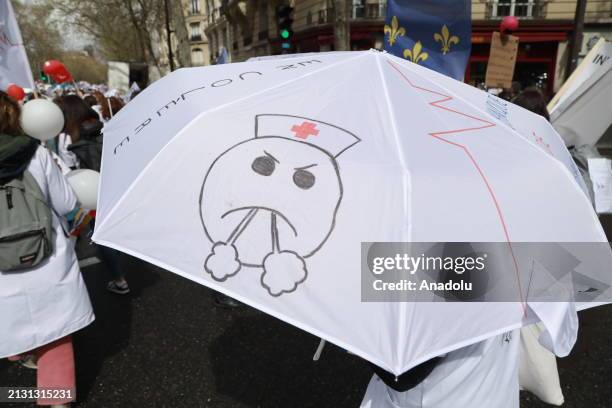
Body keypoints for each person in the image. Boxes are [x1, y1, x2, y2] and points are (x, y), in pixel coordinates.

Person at [0, 90, 95, 407]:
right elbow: (66, 203)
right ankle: (54, 400)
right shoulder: (35, 153)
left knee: (12, 323)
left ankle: (18, 358)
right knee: (55, 334)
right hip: (46, 257)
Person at [55, 95, 130, 295]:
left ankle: (119, 279)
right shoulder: (100, 124)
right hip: (111, 184)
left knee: (100, 236)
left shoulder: (66, 137)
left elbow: (68, 170)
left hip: (88, 191)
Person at [360, 331, 520, 408]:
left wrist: (353, 336)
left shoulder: (446, 279)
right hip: (496, 393)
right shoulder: (513, 266)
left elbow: (404, 376)